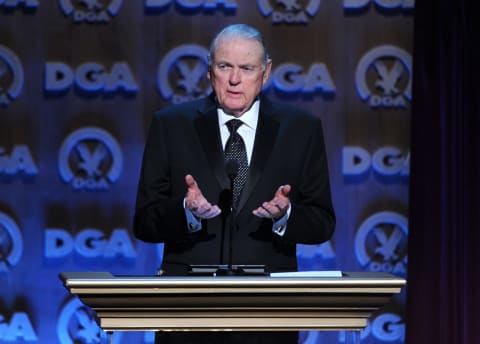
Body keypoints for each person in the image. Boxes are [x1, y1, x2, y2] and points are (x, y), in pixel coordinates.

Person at [133, 23, 335, 344]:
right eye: (225, 66)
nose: (235, 79)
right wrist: (186, 210)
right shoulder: (171, 126)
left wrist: (285, 215)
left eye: (247, 68)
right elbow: (144, 221)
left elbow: (322, 223)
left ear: (266, 72)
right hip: (187, 315)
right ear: (209, 70)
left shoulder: (300, 129)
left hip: (267, 317)